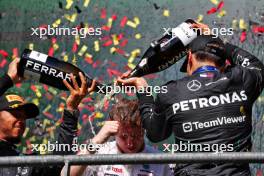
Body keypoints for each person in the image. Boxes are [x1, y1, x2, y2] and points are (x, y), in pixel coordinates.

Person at [117, 22, 264, 176]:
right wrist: (217, 42)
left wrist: (143, 90)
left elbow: (155, 134)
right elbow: (256, 66)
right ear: (223, 63)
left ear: (190, 58)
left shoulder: (171, 91)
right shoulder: (242, 80)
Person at [0, 57, 95, 176]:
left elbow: (57, 165)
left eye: (24, 116)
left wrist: (71, 110)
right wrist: (8, 79)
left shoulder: (25, 165)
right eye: (15, 114)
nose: (21, 120)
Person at [62, 97, 173, 176]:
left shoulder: (160, 160)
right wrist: (96, 140)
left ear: (143, 131)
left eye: (135, 136)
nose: (130, 143)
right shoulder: (100, 152)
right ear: (114, 133)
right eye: (123, 136)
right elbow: (65, 174)